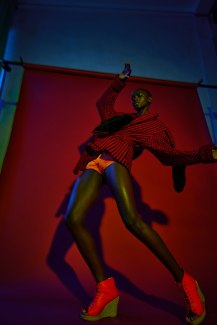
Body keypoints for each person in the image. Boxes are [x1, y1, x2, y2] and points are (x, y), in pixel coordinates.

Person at [64, 64, 217, 324]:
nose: (136, 97)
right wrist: (119, 82)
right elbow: (103, 106)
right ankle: (107, 290)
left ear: (150, 100)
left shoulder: (153, 126)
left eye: (141, 94)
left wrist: (202, 155)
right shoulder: (120, 119)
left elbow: (168, 155)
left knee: (132, 221)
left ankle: (185, 280)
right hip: (94, 161)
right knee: (73, 218)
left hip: (116, 161)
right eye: (133, 95)